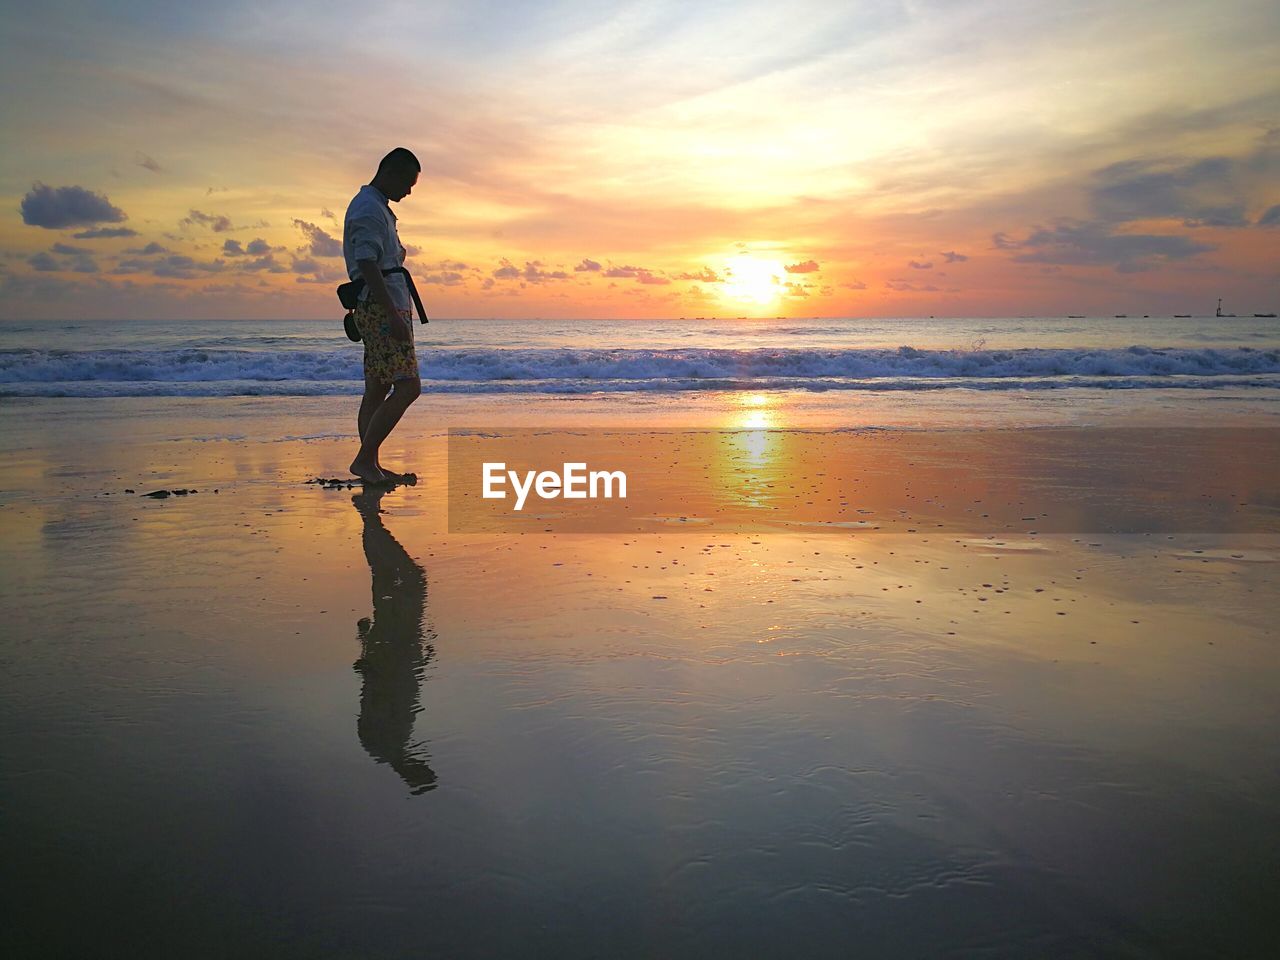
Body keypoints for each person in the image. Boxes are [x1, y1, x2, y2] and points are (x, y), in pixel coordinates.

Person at [343, 147, 423, 485]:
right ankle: (364, 460)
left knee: (376, 389)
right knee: (409, 387)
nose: (408, 191)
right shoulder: (368, 209)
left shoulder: (376, 207)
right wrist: (391, 314)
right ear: (389, 172)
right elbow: (365, 262)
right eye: (407, 182)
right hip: (380, 306)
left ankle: (371, 465)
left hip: (378, 304)